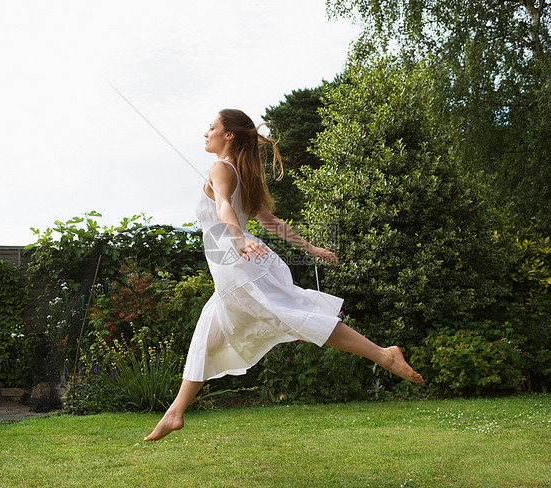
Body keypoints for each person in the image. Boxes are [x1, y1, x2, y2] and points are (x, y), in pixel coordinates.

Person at [144, 109, 423, 442]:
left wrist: (238, 236)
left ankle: (384, 354)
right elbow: (269, 221)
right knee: (210, 332)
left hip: (237, 263)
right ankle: (175, 412)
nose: (207, 133)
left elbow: (223, 206)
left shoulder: (220, 168)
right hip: (235, 265)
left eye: (212, 127)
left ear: (228, 135)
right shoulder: (238, 172)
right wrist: (309, 247)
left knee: (294, 314)